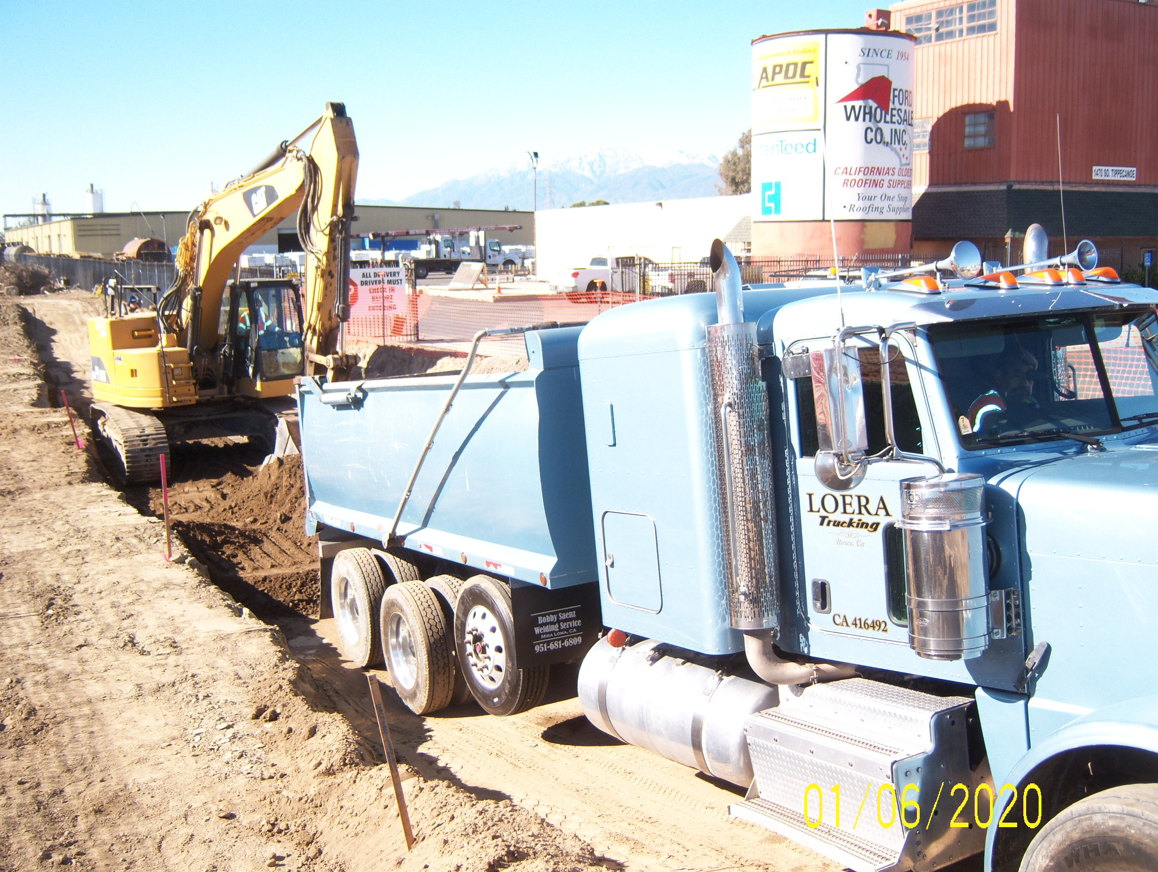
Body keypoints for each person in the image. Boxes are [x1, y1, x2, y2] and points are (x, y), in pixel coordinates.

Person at [966, 348, 1039, 433]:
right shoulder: (990, 406)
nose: (1025, 383)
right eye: (1017, 376)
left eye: (1030, 378)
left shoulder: (1029, 402)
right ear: (999, 377)